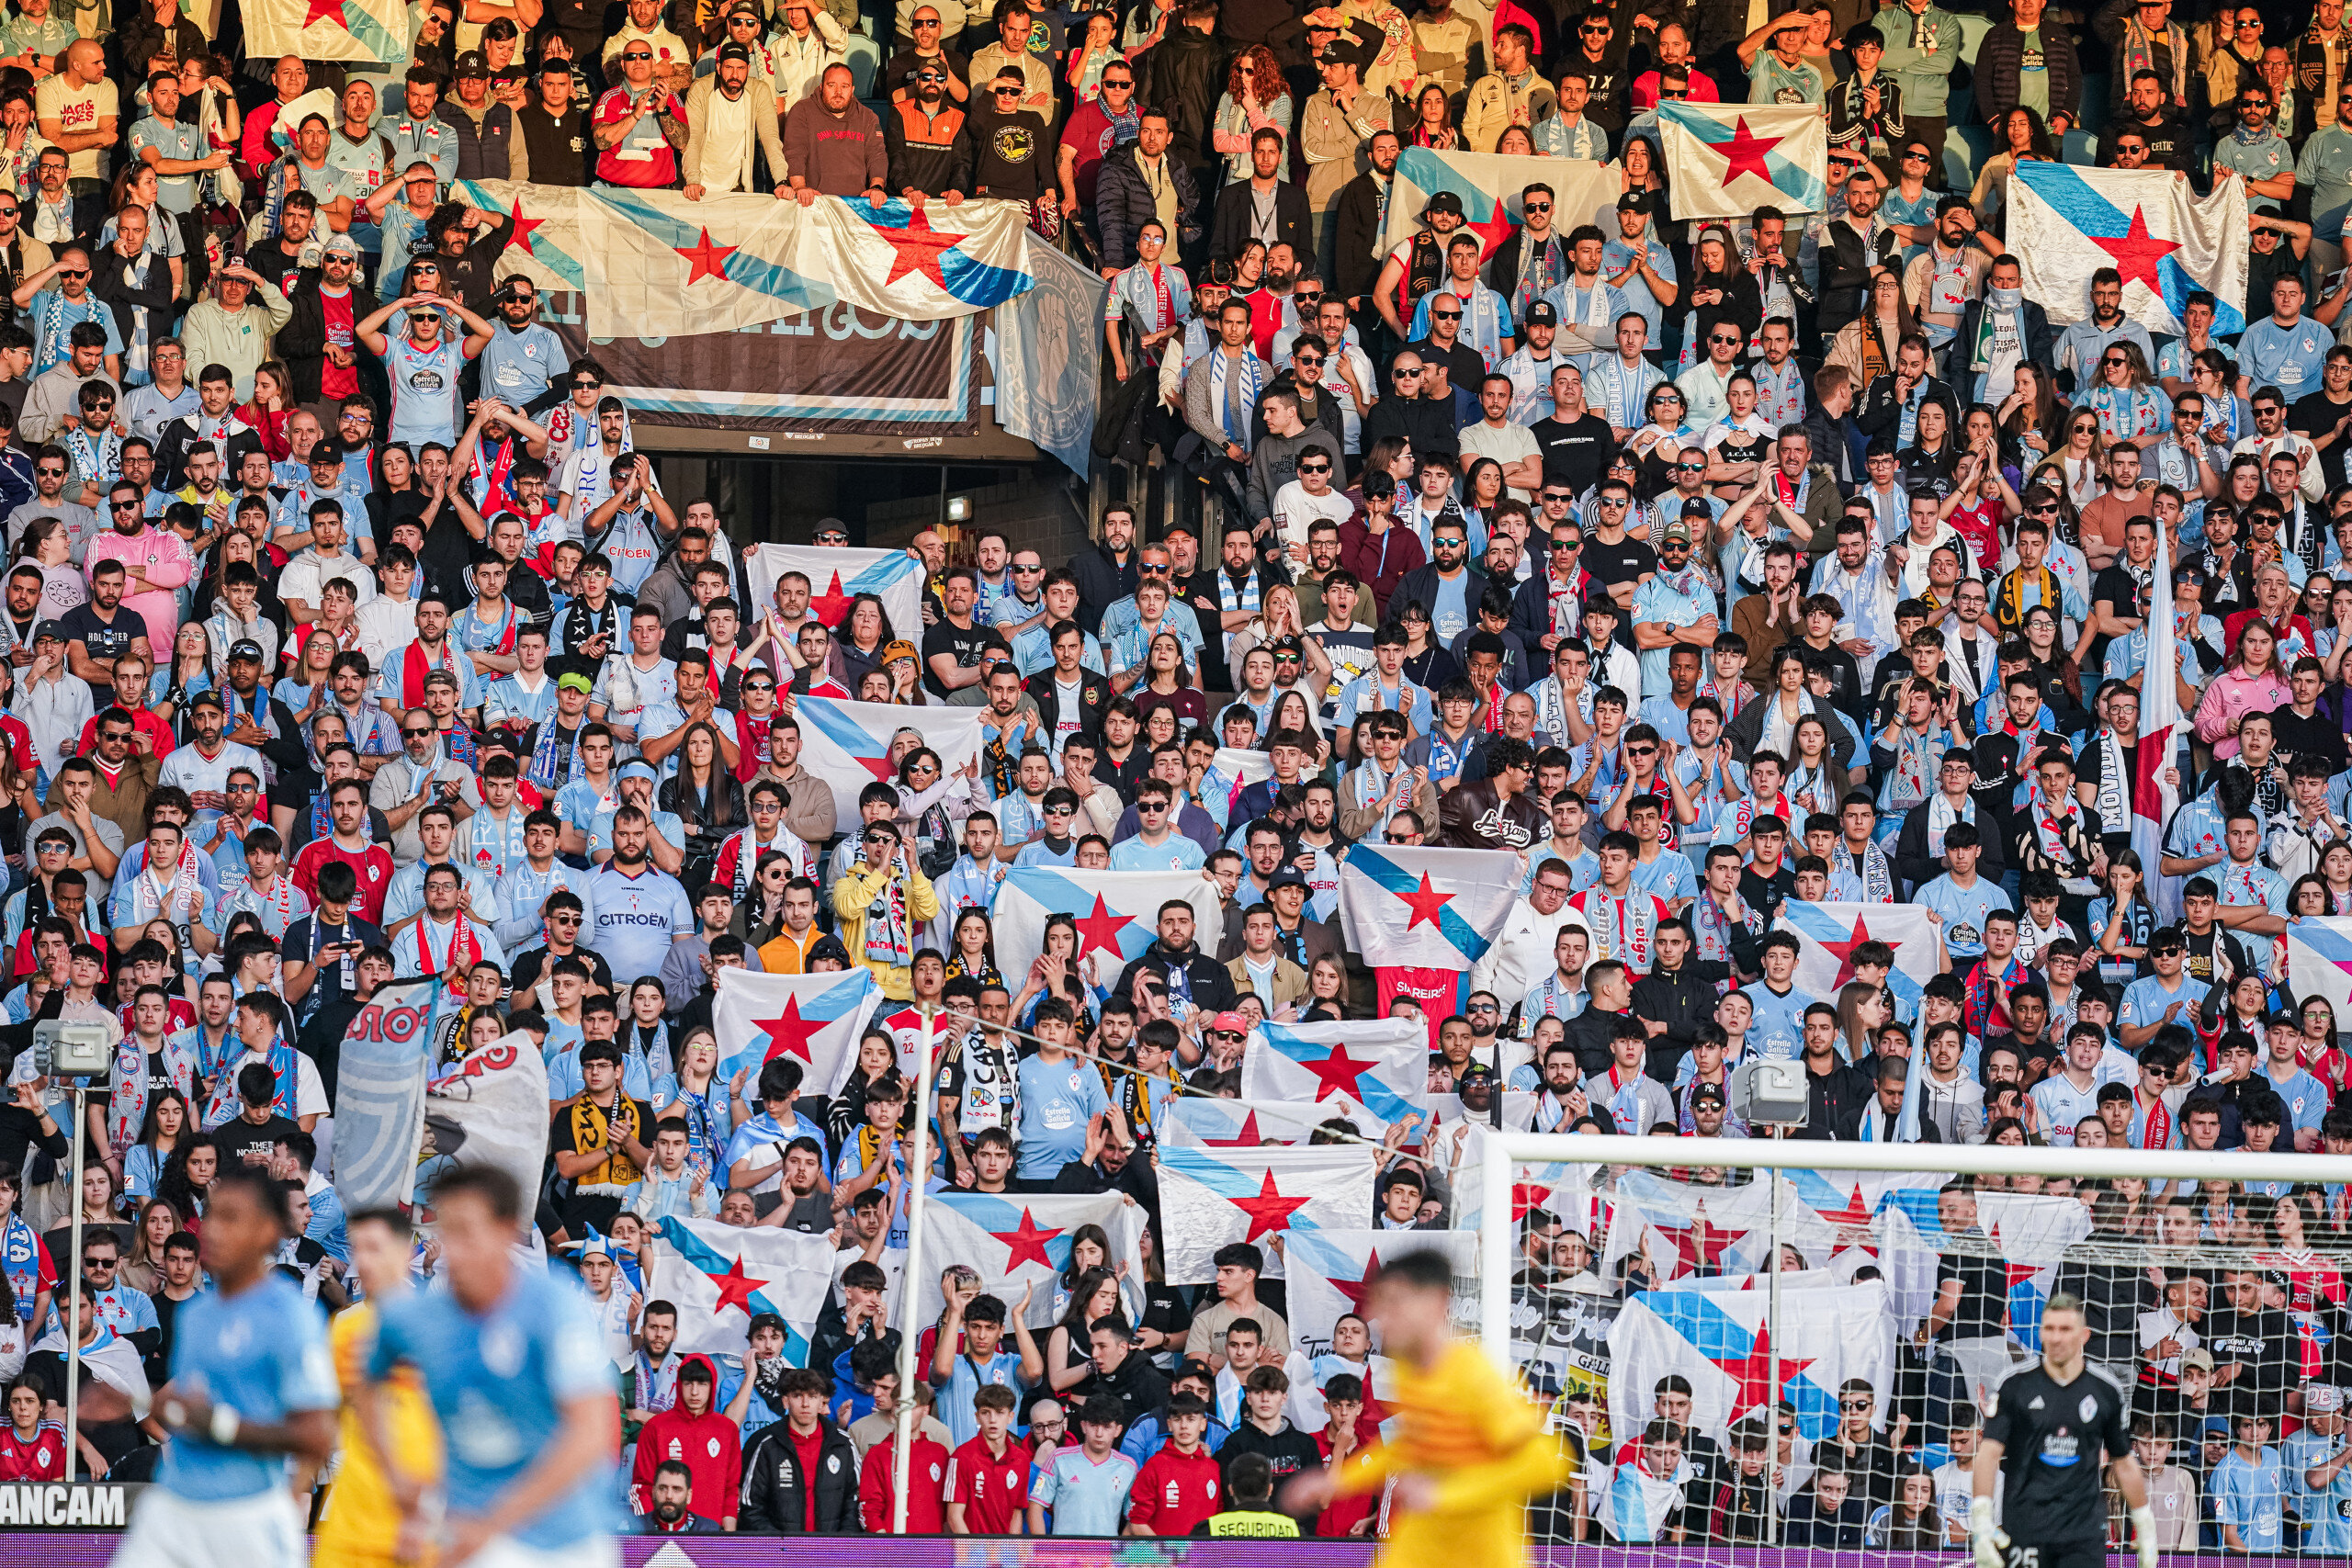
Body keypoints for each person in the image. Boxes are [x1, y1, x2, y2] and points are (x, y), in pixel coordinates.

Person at [356, 1166, 617, 1560]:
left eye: (467, 1232)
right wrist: (398, 1480)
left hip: (565, 1543)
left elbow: (591, 1434)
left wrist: (493, 1525)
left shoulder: (554, 1308)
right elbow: (365, 1384)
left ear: (506, 1231)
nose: (453, 1250)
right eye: (447, 1232)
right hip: (468, 1537)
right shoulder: (413, 1318)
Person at [1277, 1251, 1566, 1564]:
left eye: (1396, 1303)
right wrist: (1338, 1481)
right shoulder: (1406, 1372)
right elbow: (1411, 1446)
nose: (1383, 1317)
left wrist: (1443, 1495)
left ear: (1436, 1303)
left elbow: (1543, 1462)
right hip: (1421, 1540)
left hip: (1479, 1551)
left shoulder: (1473, 1376)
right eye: (1380, 1304)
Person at [111, 1168, 336, 1568]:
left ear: (267, 1232)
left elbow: (316, 1436)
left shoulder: (291, 1318)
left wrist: (220, 1425)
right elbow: (185, 1407)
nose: (212, 1230)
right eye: (213, 1216)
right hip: (173, 1504)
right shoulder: (197, 1314)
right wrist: (132, 1401)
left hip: (246, 1513)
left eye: (231, 1218)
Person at [1970, 1291, 2161, 1568]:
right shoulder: (2014, 1384)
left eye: (2065, 1329)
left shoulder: (2105, 1390)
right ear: (2040, 1333)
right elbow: (1988, 1453)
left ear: (2084, 1335)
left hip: (2082, 1532)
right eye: (2049, 1328)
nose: (2056, 1337)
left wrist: (2144, 1523)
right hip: (2026, 1526)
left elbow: (2123, 1461)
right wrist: (1981, 1518)